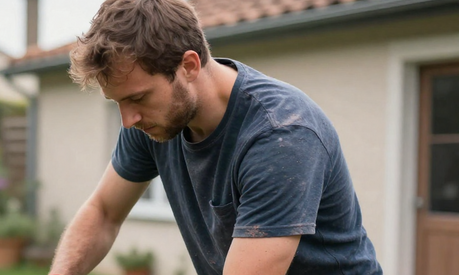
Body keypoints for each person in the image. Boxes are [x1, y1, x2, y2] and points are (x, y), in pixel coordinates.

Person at [48, 0, 383, 274]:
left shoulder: (280, 135)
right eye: (117, 102)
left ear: (189, 66)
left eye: (137, 98)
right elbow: (104, 212)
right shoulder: (151, 121)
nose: (128, 119)